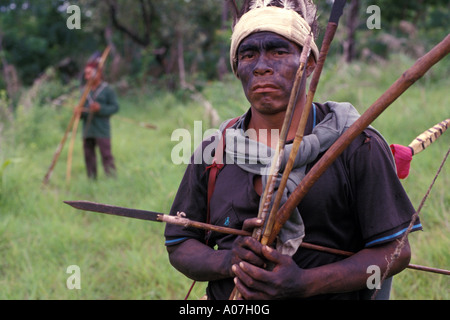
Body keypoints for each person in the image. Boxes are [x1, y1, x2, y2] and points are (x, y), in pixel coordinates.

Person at [164, 1, 422, 300]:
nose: (261, 65)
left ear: (310, 63)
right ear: (237, 69)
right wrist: (230, 261)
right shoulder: (215, 149)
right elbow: (180, 242)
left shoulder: (355, 142)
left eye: (278, 51)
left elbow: (396, 252)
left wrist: (305, 283)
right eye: (248, 55)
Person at [78, 59, 119, 179]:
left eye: (89, 73)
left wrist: (100, 108)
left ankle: (112, 178)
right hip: (88, 130)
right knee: (88, 156)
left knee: (106, 155)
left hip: (102, 129)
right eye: (85, 74)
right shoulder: (84, 91)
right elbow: (81, 111)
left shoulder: (107, 89)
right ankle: (91, 179)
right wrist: (79, 112)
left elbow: (115, 107)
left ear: (98, 73)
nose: (86, 77)